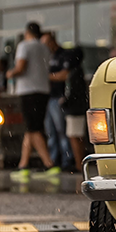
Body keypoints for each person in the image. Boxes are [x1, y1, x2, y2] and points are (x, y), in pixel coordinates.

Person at [5, 22, 58, 179]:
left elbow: (21, 66)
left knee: (33, 129)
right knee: (31, 128)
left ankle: (49, 165)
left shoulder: (24, 45)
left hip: (28, 91)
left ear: (27, 32)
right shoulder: (44, 47)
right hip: (43, 90)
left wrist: (10, 73)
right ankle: (23, 166)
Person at [41, 31, 73, 168]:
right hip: (48, 97)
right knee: (50, 132)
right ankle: (53, 161)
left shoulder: (62, 55)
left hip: (58, 97)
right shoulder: (46, 57)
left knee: (62, 131)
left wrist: (46, 77)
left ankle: (67, 160)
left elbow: (65, 75)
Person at [58, 47, 90, 172]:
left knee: (74, 136)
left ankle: (78, 164)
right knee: (77, 136)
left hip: (74, 109)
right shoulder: (78, 72)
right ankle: (79, 163)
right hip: (78, 108)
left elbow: (72, 93)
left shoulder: (74, 73)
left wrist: (65, 102)